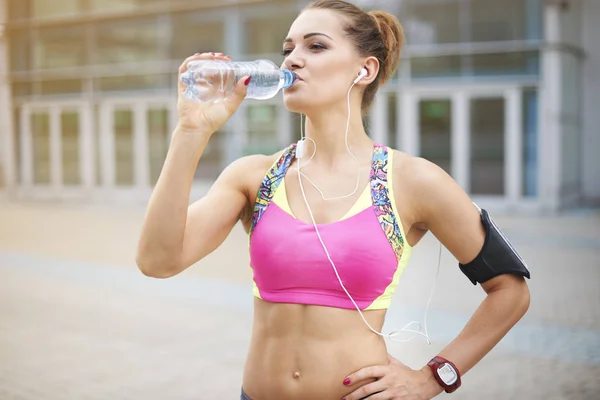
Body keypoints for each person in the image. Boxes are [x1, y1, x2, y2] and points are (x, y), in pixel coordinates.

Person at [136, 0, 531, 399]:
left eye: (316, 46)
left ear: (365, 69)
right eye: (287, 48)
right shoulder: (254, 176)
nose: (292, 60)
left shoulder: (412, 180)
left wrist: (434, 377)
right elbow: (157, 261)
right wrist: (190, 131)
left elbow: (510, 290)